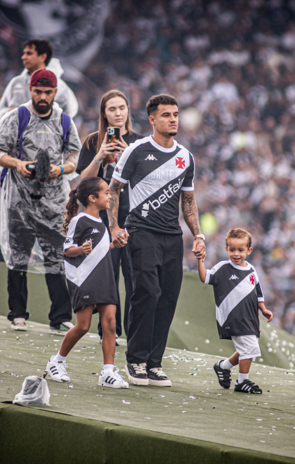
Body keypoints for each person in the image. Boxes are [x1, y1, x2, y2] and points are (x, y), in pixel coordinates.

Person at [108, 94, 206, 387]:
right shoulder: (136, 151)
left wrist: (198, 235)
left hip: (173, 237)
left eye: (175, 114)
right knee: (147, 292)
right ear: (152, 119)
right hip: (141, 232)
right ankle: (135, 359)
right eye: (166, 115)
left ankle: (154, 363)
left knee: (167, 299)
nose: (173, 119)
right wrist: (114, 227)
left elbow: (188, 200)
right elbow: (113, 189)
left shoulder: (186, 157)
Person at [0, 69, 81, 335]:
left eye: (47, 92)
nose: (42, 97)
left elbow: (74, 155)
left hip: (54, 203)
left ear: (55, 93)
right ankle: (17, 314)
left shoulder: (64, 121)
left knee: (56, 258)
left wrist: (60, 169)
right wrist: (17, 163)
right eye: (38, 91)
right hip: (19, 201)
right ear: (30, 89)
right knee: (18, 257)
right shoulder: (16, 117)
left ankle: (60, 317)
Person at [45, 177, 129, 389]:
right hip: (83, 279)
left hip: (105, 278)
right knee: (83, 326)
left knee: (110, 323)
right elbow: (67, 250)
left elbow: (98, 249)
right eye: (106, 193)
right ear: (92, 198)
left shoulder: (101, 222)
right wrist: (80, 249)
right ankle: (57, 361)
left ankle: (108, 372)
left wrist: (114, 244)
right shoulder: (79, 221)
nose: (110, 196)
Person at [76, 90, 141, 341]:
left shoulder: (139, 142)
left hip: (133, 219)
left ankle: (134, 334)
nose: (118, 113)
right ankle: (109, 331)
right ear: (104, 113)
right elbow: (84, 182)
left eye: (122, 108)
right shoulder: (93, 141)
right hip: (102, 221)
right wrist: (99, 156)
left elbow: (145, 182)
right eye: (112, 109)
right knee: (107, 277)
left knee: (134, 278)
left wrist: (128, 156)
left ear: (128, 111)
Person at [198, 228, 272, 394]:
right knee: (249, 348)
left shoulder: (251, 270)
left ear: (249, 250)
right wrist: (200, 261)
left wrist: (263, 309)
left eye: (240, 250)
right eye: (232, 250)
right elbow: (205, 277)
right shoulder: (223, 268)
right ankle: (242, 382)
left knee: (248, 348)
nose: (236, 254)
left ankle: (223, 366)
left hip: (250, 318)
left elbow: (258, 292)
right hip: (233, 318)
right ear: (227, 249)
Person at [0, 39, 78, 122]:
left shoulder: (57, 85)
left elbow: (71, 110)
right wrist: (9, 113)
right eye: (24, 53)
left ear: (42, 57)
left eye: (29, 54)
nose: (24, 57)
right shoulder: (17, 82)